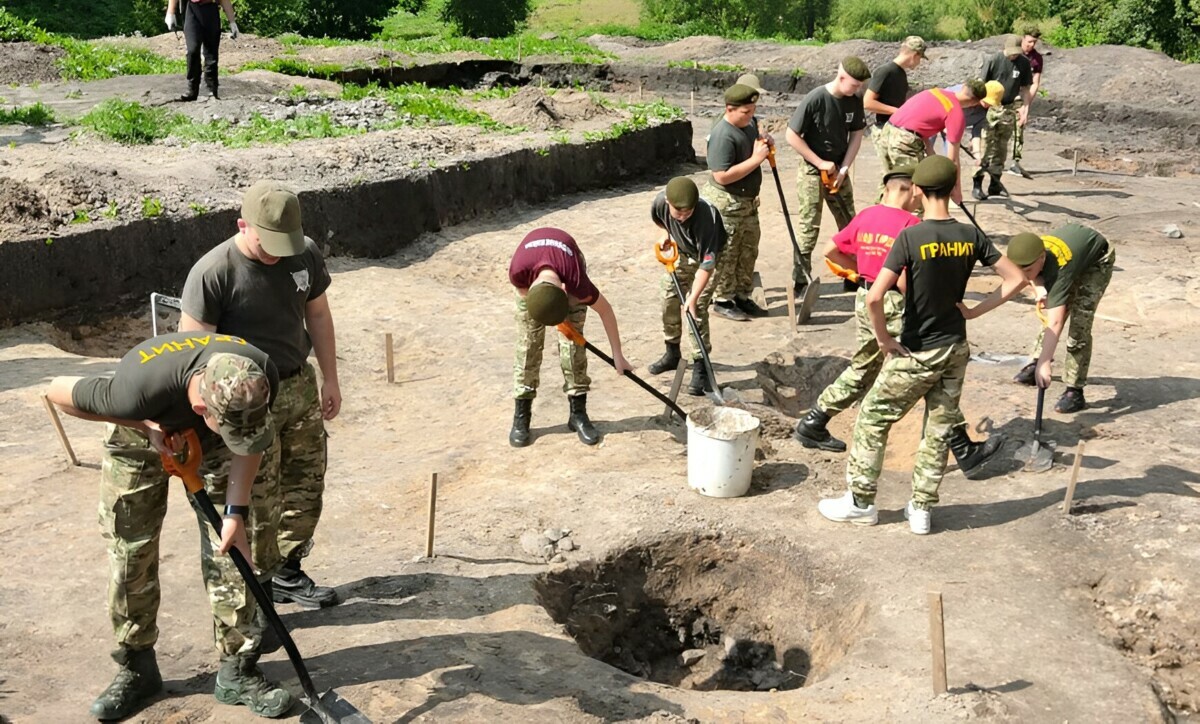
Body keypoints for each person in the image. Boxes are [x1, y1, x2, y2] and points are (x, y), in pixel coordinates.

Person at [45, 334, 293, 719]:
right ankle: (136, 666)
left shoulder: (256, 375)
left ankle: (237, 671)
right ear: (199, 407)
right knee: (131, 550)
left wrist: (235, 513)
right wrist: (144, 425)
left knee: (236, 550)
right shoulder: (134, 391)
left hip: (212, 434)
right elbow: (56, 390)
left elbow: (249, 442)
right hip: (139, 428)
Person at [817, 156, 1027, 535]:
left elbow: (875, 297)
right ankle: (922, 510)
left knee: (873, 416)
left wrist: (883, 339)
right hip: (955, 345)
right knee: (940, 426)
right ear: (951, 188)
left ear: (917, 189)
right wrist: (976, 311)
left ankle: (861, 502)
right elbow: (1015, 278)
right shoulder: (970, 235)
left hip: (919, 347)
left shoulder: (911, 236)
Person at [181, 180, 342, 611]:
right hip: (249, 402)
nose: (276, 253)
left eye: (283, 244)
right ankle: (261, 590)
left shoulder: (303, 253)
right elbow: (190, 356)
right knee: (258, 501)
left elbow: (319, 314)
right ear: (242, 226)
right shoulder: (214, 273)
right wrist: (212, 420)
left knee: (306, 488)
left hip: (298, 387)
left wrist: (330, 378)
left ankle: (287, 571)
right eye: (267, 243)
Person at [799, 163, 1006, 479]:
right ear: (912, 189)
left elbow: (831, 250)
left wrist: (862, 271)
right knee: (926, 369)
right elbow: (908, 280)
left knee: (864, 366)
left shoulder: (866, 215)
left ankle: (816, 419)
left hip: (865, 300)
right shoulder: (911, 225)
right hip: (897, 305)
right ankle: (964, 448)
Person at [508, 226, 632, 447]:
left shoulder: (577, 282)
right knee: (528, 347)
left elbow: (605, 311)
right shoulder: (519, 271)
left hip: (565, 275)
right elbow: (523, 293)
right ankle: (521, 416)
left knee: (573, 349)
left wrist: (618, 355)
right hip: (533, 289)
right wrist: (549, 315)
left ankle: (578, 413)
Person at [994, 225, 1115, 413]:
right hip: (1068, 257)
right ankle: (1035, 363)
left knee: (1079, 325)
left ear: (1041, 258)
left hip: (1096, 262)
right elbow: (1028, 272)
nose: (1023, 276)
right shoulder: (1032, 255)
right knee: (1051, 308)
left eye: (1027, 270)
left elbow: (1056, 322)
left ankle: (1075, 390)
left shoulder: (1059, 270)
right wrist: (1039, 286)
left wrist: (1046, 362)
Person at [785, 57, 870, 295]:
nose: (858, 90)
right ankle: (801, 280)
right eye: (854, 85)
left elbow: (857, 133)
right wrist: (820, 162)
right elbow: (791, 136)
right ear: (842, 78)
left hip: (838, 171)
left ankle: (852, 274)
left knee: (850, 223)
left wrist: (844, 169)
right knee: (809, 226)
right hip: (813, 171)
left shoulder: (855, 101)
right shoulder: (816, 99)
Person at [646, 177, 728, 396]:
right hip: (683, 252)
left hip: (710, 258)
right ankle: (672, 352)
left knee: (697, 307)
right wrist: (666, 234)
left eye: (687, 212)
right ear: (667, 201)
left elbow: (707, 265)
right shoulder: (660, 204)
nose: (682, 217)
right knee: (669, 297)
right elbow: (660, 221)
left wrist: (692, 297)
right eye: (678, 212)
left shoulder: (706, 217)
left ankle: (701, 365)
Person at [701, 83, 772, 322]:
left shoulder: (748, 123)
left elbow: (754, 135)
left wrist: (763, 140)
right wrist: (756, 159)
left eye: (752, 110)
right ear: (729, 109)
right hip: (728, 203)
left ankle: (743, 294)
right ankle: (723, 299)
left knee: (748, 249)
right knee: (728, 252)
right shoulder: (723, 135)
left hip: (748, 203)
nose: (751, 116)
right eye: (746, 112)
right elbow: (721, 175)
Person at [874, 79, 988, 203]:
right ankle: (910, 221)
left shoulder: (935, 92)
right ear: (974, 102)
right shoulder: (955, 112)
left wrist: (930, 153)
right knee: (914, 192)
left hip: (887, 131)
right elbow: (953, 161)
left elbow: (920, 123)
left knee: (889, 182)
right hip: (905, 140)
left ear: (963, 88)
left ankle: (880, 215)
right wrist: (955, 191)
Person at [975, 35, 1033, 201]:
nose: (1013, 56)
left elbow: (1025, 89)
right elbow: (981, 84)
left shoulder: (1023, 63)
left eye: (1016, 53)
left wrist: (1025, 109)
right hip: (991, 107)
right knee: (986, 147)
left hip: (1009, 108)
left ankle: (995, 183)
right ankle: (977, 182)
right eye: (1011, 53)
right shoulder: (993, 60)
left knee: (1001, 148)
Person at [865, 36, 927, 171]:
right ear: (915, 55)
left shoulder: (900, 74)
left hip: (896, 129)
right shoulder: (885, 71)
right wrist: (897, 111)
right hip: (884, 130)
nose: (919, 63)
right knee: (890, 178)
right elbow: (868, 102)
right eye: (920, 58)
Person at [167, 0, 238, 101]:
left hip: (211, 9)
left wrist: (232, 22)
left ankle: (211, 90)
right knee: (192, 50)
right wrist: (170, 13)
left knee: (211, 52)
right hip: (192, 9)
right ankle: (192, 89)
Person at [1009, 27, 1044, 178]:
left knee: (1019, 129)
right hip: (1005, 95)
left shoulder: (1036, 59)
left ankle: (1015, 163)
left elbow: (1035, 83)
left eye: (1034, 42)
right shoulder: (1013, 52)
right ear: (1023, 39)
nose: (1031, 45)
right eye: (1029, 41)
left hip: (1021, 97)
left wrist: (1026, 103)